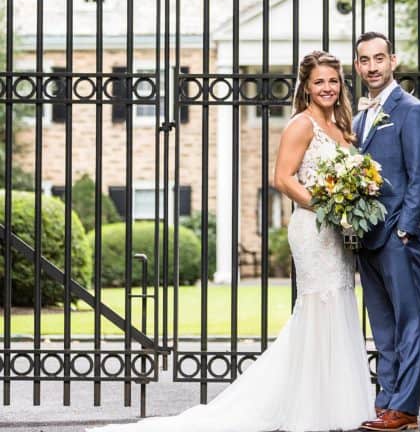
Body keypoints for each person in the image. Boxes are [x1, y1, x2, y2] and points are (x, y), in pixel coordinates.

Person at [87, 50, 375, 432]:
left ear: (341, 86)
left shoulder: (344, 126)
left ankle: (338, 402)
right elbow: (283, 179)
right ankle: (310, 406)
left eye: (333, 81)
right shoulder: (301, 125)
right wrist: (329, 207)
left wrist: (349, 205)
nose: (327, 88)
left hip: (337, 234)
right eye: (319, 81)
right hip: (313, 228)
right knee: (318, 304)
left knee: (339, 300)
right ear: (306, 87)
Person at [352, 32, 420, 432]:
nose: (372, 66)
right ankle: (386, 402)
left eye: (379, 58)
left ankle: (406, 408)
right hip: (368, 236)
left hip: (401, 237)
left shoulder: (413, 111)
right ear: (357, 65)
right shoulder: (358, 117)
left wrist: (405, 229)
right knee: (383, 326)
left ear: (393, 61)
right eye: (364, 60)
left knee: (410, 322)